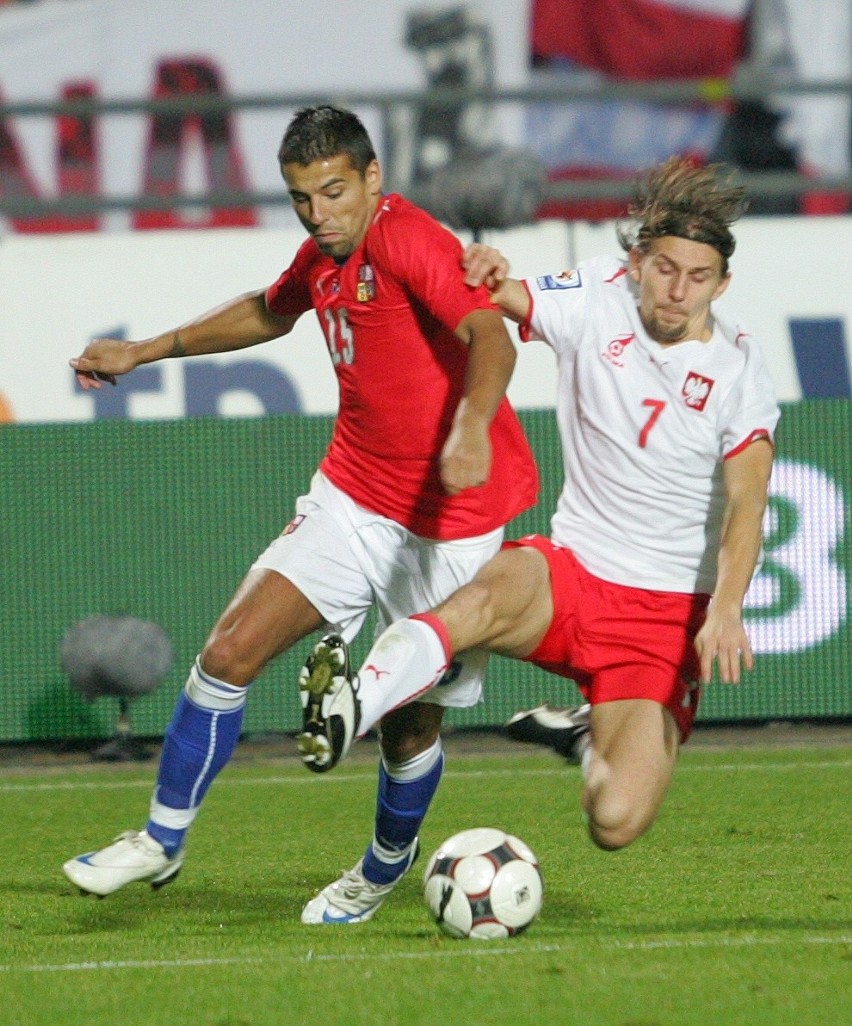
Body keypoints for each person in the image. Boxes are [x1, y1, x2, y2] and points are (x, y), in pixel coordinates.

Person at [61, 105, 539, 919]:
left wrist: (468, 425)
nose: (320, 215)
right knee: (230, 650)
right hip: (352, 498)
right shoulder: (323, 256)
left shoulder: (408, 239)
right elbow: (268, 309)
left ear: (372, 178)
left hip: (451, 525)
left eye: (333, 192)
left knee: (406, 729)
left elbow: (491, 334)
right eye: (301, 199)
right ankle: (160, 839)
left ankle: (385, 866)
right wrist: (145, 351)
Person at [299, 157, 779, 879]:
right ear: (637, 261)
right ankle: (351, 706)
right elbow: (498, 299)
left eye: (699, 277)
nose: (678, 291)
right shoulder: (596, 292)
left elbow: (748, 502)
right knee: (474, 600)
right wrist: (486, 270)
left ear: (723, 283)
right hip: (573, 575)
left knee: (615, 820)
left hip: (663, 618)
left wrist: (728, 606)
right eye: (666, 269)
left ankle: (592, 737)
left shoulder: (739, 372)